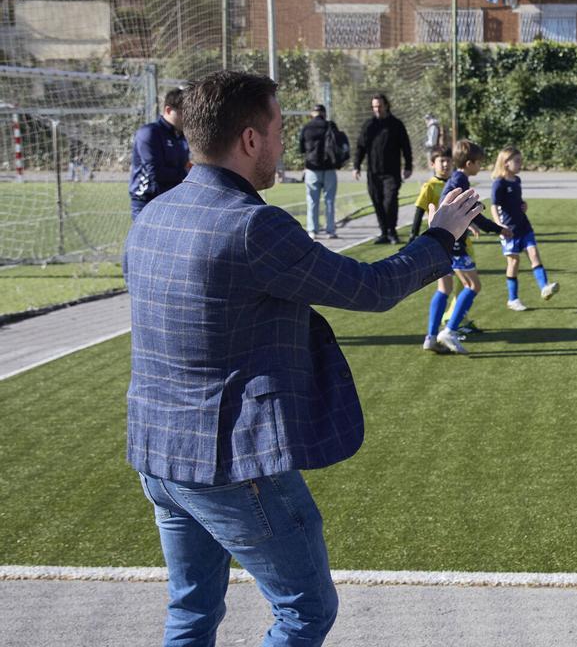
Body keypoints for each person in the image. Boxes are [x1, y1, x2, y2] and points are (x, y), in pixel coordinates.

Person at [123, 70, 481, 645]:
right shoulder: (253, 225)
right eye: (277, 131)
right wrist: (440, 237)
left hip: (155, 453)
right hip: (227, 462)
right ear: (249, 140)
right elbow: (369, 289)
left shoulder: (151, 216)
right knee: (305, 611)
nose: (283, 144)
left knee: (190, 611)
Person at [428, 139, 512, 355]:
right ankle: (450, 331)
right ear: (469, 163)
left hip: (439, 238)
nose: (480, 166)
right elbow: (474, 213)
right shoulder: (460, 181)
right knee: (473, 285)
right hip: (452, 242)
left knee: (444, 289)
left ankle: (431, 337)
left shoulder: (455, 180)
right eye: (479, 163)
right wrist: (499, 229)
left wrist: (472, 219)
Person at [490, 146, 559, 312]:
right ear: (506, 163)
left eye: (521, 161)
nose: (520, 164)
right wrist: (499, 226)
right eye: (517, 161)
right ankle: (513, 299)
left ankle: (544, 287)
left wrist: (523, 205)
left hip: (524, 226)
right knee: (514, 262)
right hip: (509, 230)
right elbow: (494, 206)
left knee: (534, 254)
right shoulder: (499, 183)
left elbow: (517, 201)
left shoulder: (517, 180)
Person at [353, 93, 412, 244]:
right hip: (373, 172)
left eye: (379, 106)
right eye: (374, 107)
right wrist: (356, 166)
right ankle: (383, 232)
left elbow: (406, 146)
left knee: (390, 201)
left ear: (386, 106)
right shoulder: (369, 125)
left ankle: (392, 231)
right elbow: (360, 147)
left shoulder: (396, 124)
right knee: (377, 201)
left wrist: (408, 166)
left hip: (391, 173)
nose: (377, 109)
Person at [129, 86, 190, 220]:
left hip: (171, 200)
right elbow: (156, 173)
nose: (186, 118)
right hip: (146, 202)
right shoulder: (150, 133)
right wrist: (188, 174)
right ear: (168, 110)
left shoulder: (181, 136)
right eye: (182, 112)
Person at [298, 103, 340, 239]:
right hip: (329, 168)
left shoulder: (307, 128)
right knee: (329, 201)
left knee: (312, 201)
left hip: (312, 168)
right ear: (324, 114)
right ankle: (330, 230)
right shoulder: (330, 126)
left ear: (312, 114)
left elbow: (301, 149)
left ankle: (312, 230)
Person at [411, 146, 453, 242]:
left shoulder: (454, 183)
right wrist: (413, 235)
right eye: (442, 161)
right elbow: (419, 210)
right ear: (432, 164)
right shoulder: (430, 186)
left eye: (448, 161)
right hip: (438, 233)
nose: (446, 164)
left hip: (456, 232)